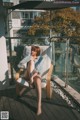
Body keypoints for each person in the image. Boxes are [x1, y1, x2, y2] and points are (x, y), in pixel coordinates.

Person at [21, 45, 42, 115]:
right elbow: (20, 64)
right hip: (27, 74)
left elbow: (39, 71)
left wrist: (34, 74)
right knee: (31, 62)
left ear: (37, 52)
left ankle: (39, 106)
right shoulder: (29, 57)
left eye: (34, 50)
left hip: (35, 75)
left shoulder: (40, 58)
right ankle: (31, 80)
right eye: (32, 50)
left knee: (38, 82)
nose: (32, 51)